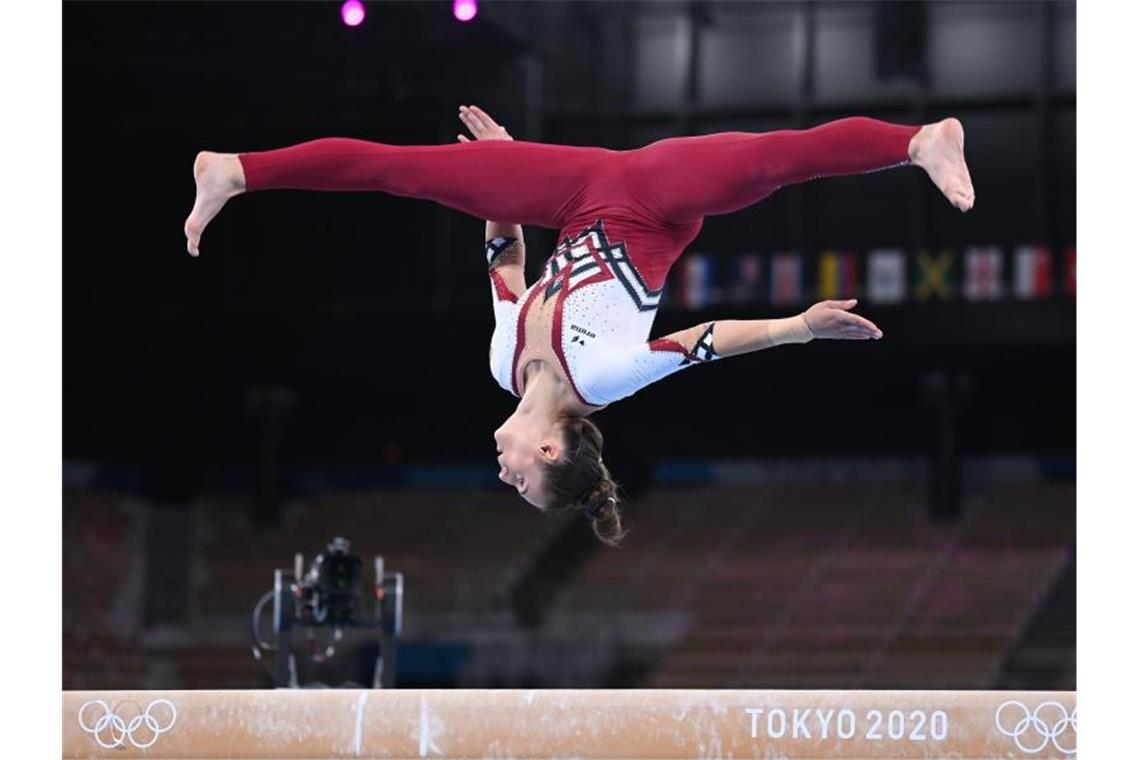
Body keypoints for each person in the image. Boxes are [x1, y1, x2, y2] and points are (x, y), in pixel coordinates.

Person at [184, 105, 974, 546]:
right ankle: (917, 142)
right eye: (522, 479)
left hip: (568, 195)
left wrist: (500, 170)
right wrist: (800, 324)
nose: (503, 473)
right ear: (553, 450)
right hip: (654, 200)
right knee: (774, 160)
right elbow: (706, 344)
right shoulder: (604, 378)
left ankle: (235, 168)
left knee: (408, 171)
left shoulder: (504, 365)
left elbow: (501, 253)